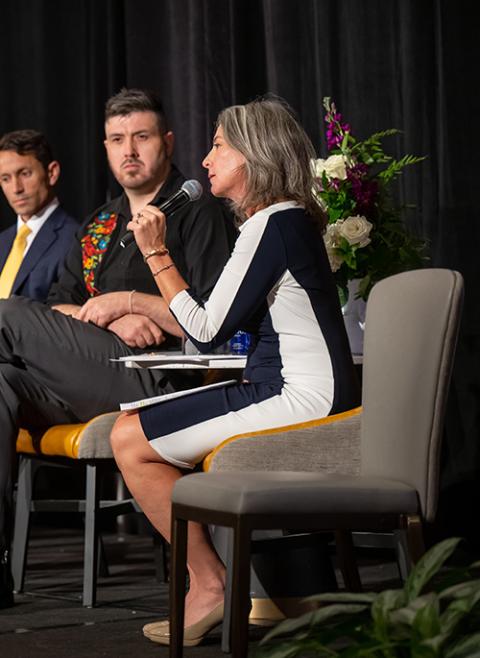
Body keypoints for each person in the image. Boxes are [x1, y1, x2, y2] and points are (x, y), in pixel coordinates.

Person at [110, 97, 361, 647]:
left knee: (127, 438)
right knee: (131, 428)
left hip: (303, 397)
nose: (204, 159)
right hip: (285, 385)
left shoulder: (274, 222)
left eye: (219, 145)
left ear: (254, 155)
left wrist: (157, 254)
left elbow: (204, 330)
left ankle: (210, 584)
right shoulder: (280, 222)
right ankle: (230, 584)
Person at [0, 88, 236, 609]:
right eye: (116, 139)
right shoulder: (101, 224)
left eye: (142, 137)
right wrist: (101, 312)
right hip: (90, 370)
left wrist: (137, 305)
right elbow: (59, 306)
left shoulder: (197, 212)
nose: (129, 150)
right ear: (105, 148)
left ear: (168, 143)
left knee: (6, 313)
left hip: (157, 381)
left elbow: (215, 318)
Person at [0, 129, 78, 301]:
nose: (16, 188)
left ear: (52, 173)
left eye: (25, 174)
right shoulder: (3, 241)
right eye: (5, 178)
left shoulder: (74, 240)